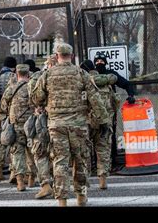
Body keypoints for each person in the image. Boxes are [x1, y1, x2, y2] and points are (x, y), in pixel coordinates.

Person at [32, 43, 109, 207]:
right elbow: (95, 99)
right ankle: (81, 197)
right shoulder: (81, 73)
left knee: (60, 161)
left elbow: (37, 98)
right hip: (78, 125)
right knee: (80, 160)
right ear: (72, 56)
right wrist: (103, 121)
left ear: (57, 56)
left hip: (56, 125)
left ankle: (62, 201)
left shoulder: (47, 75)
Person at [80, 60, 117, 189]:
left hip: (87, 122)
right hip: (104, 121)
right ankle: (103, 180)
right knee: (103, 150)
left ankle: (84, 179)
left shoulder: (83, 83)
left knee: (84, 151)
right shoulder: (107, 83)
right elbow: (114, 102)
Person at [1, 64, 36, 191]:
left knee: (17, 153)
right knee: (32, 152)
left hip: (16, 125)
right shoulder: (32, 87)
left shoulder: (11, 89)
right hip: (31, 125)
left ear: (16, 74)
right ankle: (32, 178)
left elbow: (3, 106)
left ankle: (20, 182)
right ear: (28, 74)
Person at [28, 54, 57, 199]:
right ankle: (58, 186)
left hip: (43, 121)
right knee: (58, 154)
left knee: (40, 153)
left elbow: (33, 98)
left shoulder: (39, 77)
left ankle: (46, 185)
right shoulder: (69, 76)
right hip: (61, 121)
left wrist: (38, 107)